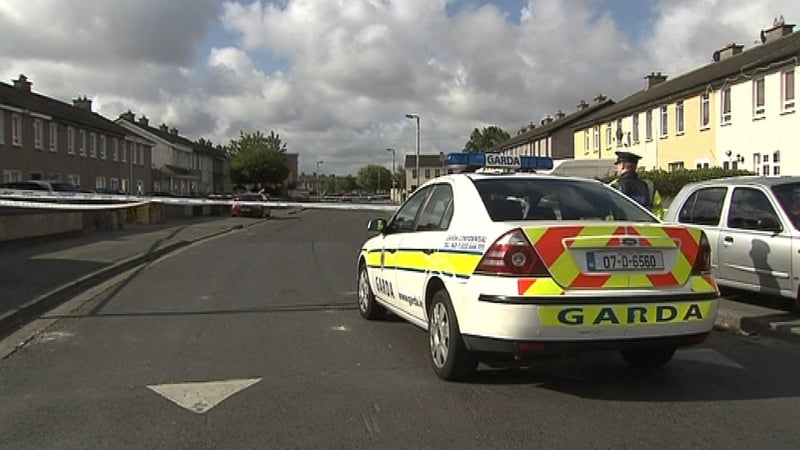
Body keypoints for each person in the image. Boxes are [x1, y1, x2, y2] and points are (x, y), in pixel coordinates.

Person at [609, 151, 664, 219]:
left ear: (622, 165)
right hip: (647, 227)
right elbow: (658, 212)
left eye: (618, 165)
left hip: (621, 227)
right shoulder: (649, 186)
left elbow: (608, 212)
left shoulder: (613, 187)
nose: (617, 168)